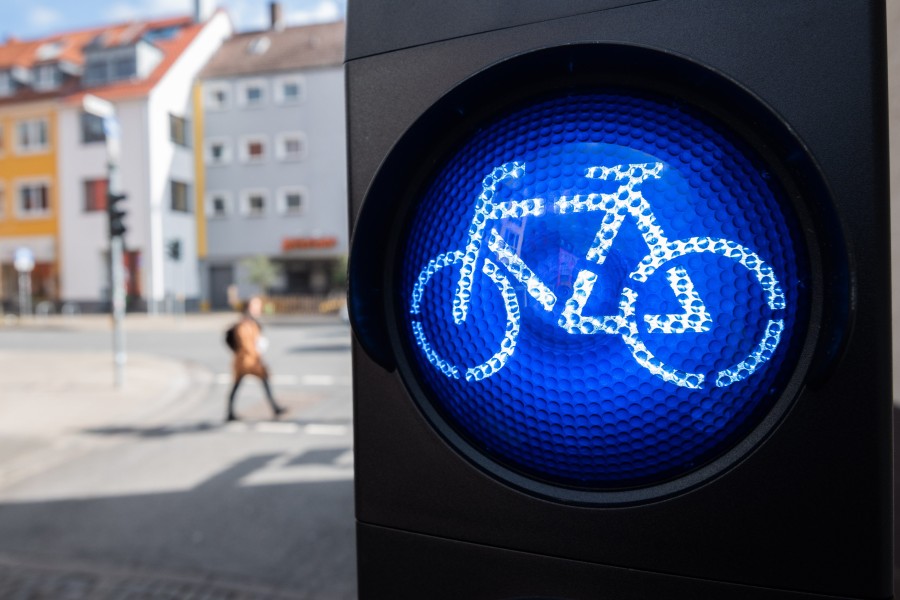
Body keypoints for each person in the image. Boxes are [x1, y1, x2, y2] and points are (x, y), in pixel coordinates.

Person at [227, 296, 286, 421]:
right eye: (256, 306)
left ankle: (230, 412)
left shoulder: (251, 323)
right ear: (250, 308)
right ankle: (274, 407)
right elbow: (247, 345)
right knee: (260, 380)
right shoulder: (244, 325)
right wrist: (258, 355)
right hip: (247, 361)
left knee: (241, 385)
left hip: (248, 361)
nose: (259, 308)